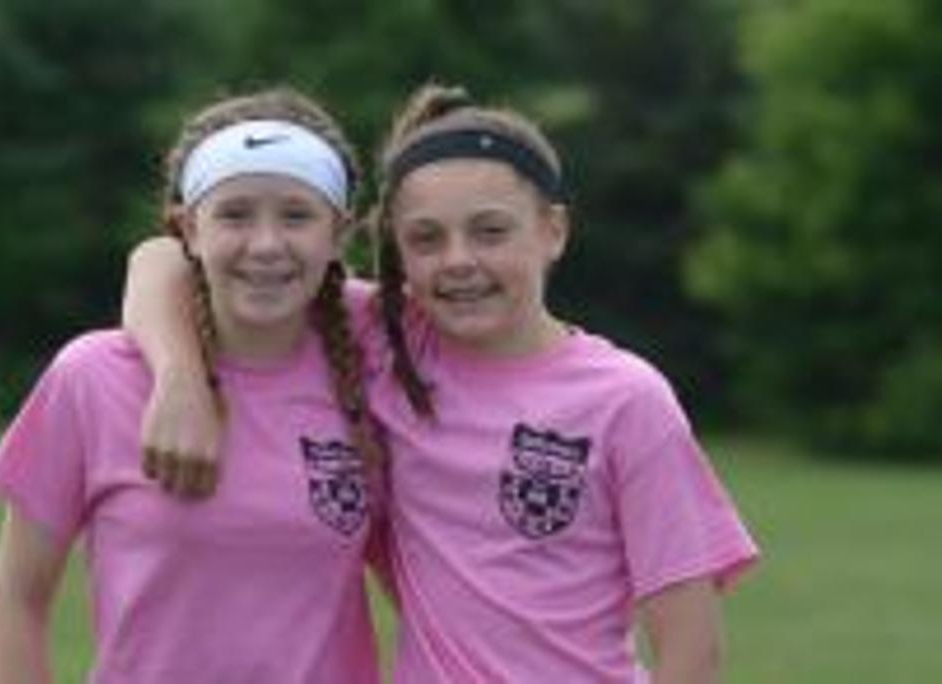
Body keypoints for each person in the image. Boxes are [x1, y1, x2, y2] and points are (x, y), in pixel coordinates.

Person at [124, 83, 759, 683]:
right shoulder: (386, 342)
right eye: (426, 239)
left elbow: (692, 651)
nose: (459, 260)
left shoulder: (626, 399)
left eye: (490, 231)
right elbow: (162, 258)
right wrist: (180, 380)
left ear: (553, 231)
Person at [0, 87, 384, 683]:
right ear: (188, 229)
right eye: (235, 214)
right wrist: (179, 375)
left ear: (338, 233)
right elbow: (19, 601)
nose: (266, 245)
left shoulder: (378, 359)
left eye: (297, 216)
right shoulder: (93, 376)